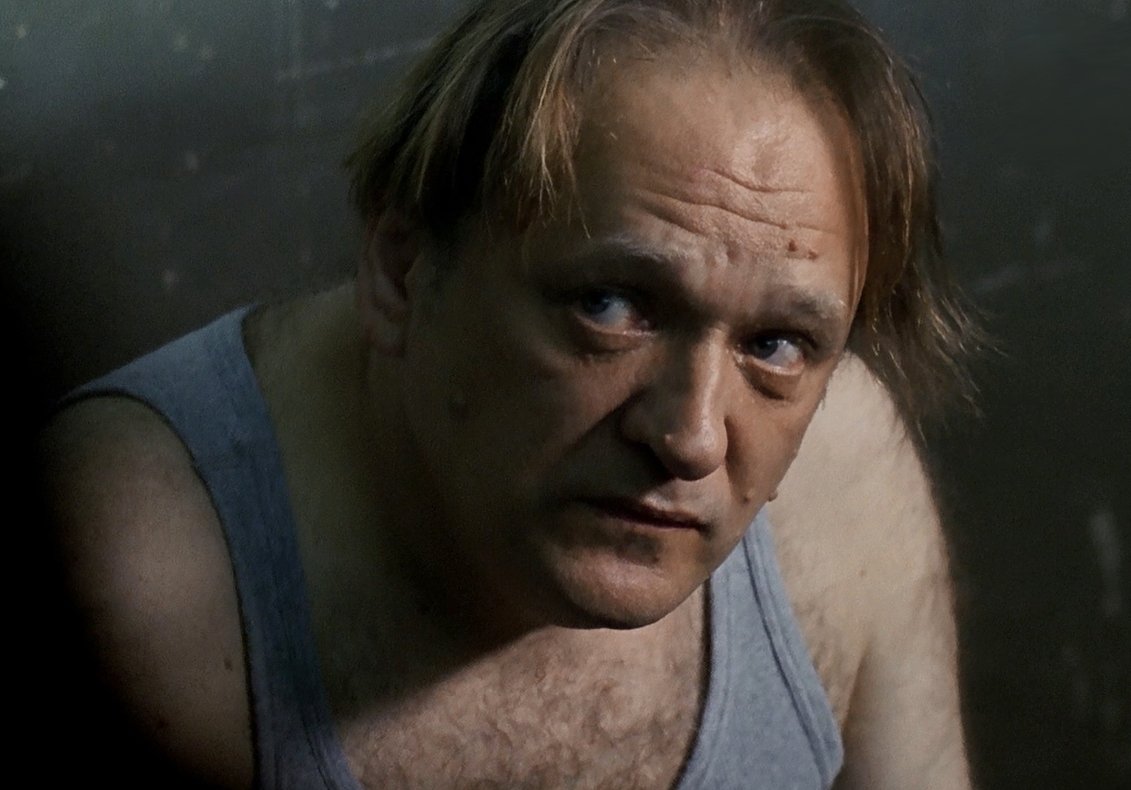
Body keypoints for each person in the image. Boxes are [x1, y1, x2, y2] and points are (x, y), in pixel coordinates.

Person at [39, 0, 979, 787]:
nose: (692, 438)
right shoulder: (130, 562)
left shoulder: (842, 478)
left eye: (775, 345)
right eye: (610, 306)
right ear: (403, 271)